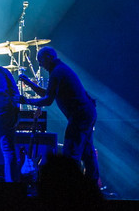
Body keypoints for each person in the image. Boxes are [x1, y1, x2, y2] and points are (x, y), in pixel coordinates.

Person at [18, 47, 99, 185]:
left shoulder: (57, 72)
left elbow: (48, 100)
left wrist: (27, 100)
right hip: (86, 113)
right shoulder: (59, 70)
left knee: (71, 152)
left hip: (80, 115)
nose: (40, 65)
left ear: (48, 57)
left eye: (40, 61)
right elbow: (48, 94)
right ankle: (91, 187)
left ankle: (70, 188)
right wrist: (29, 83)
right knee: (87, 152)